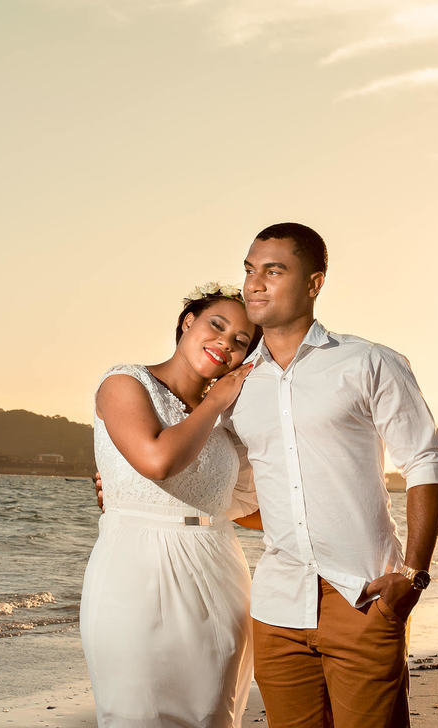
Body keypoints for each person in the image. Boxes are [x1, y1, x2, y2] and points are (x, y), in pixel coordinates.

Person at [94, 223, 438, 728]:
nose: (255, 283)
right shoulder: (237, 387)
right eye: (249, 270)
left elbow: (426, 462)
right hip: (276, 608)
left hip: (363, 596)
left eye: (274, 270)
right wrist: (123, 484)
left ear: (314, 283)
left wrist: (411, 576)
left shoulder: (367, 362)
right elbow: (220, 482)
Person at [82, 283, 264, 728]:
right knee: (134, 713)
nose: (225, 343)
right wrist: (218, 399)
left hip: (220, 577)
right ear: (188, 323)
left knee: (212, 716)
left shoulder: (228, 423)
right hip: (134, 575)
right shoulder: (125, 382)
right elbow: (157, 460)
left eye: (241, 342)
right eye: (216, 326)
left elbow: (245, 508)